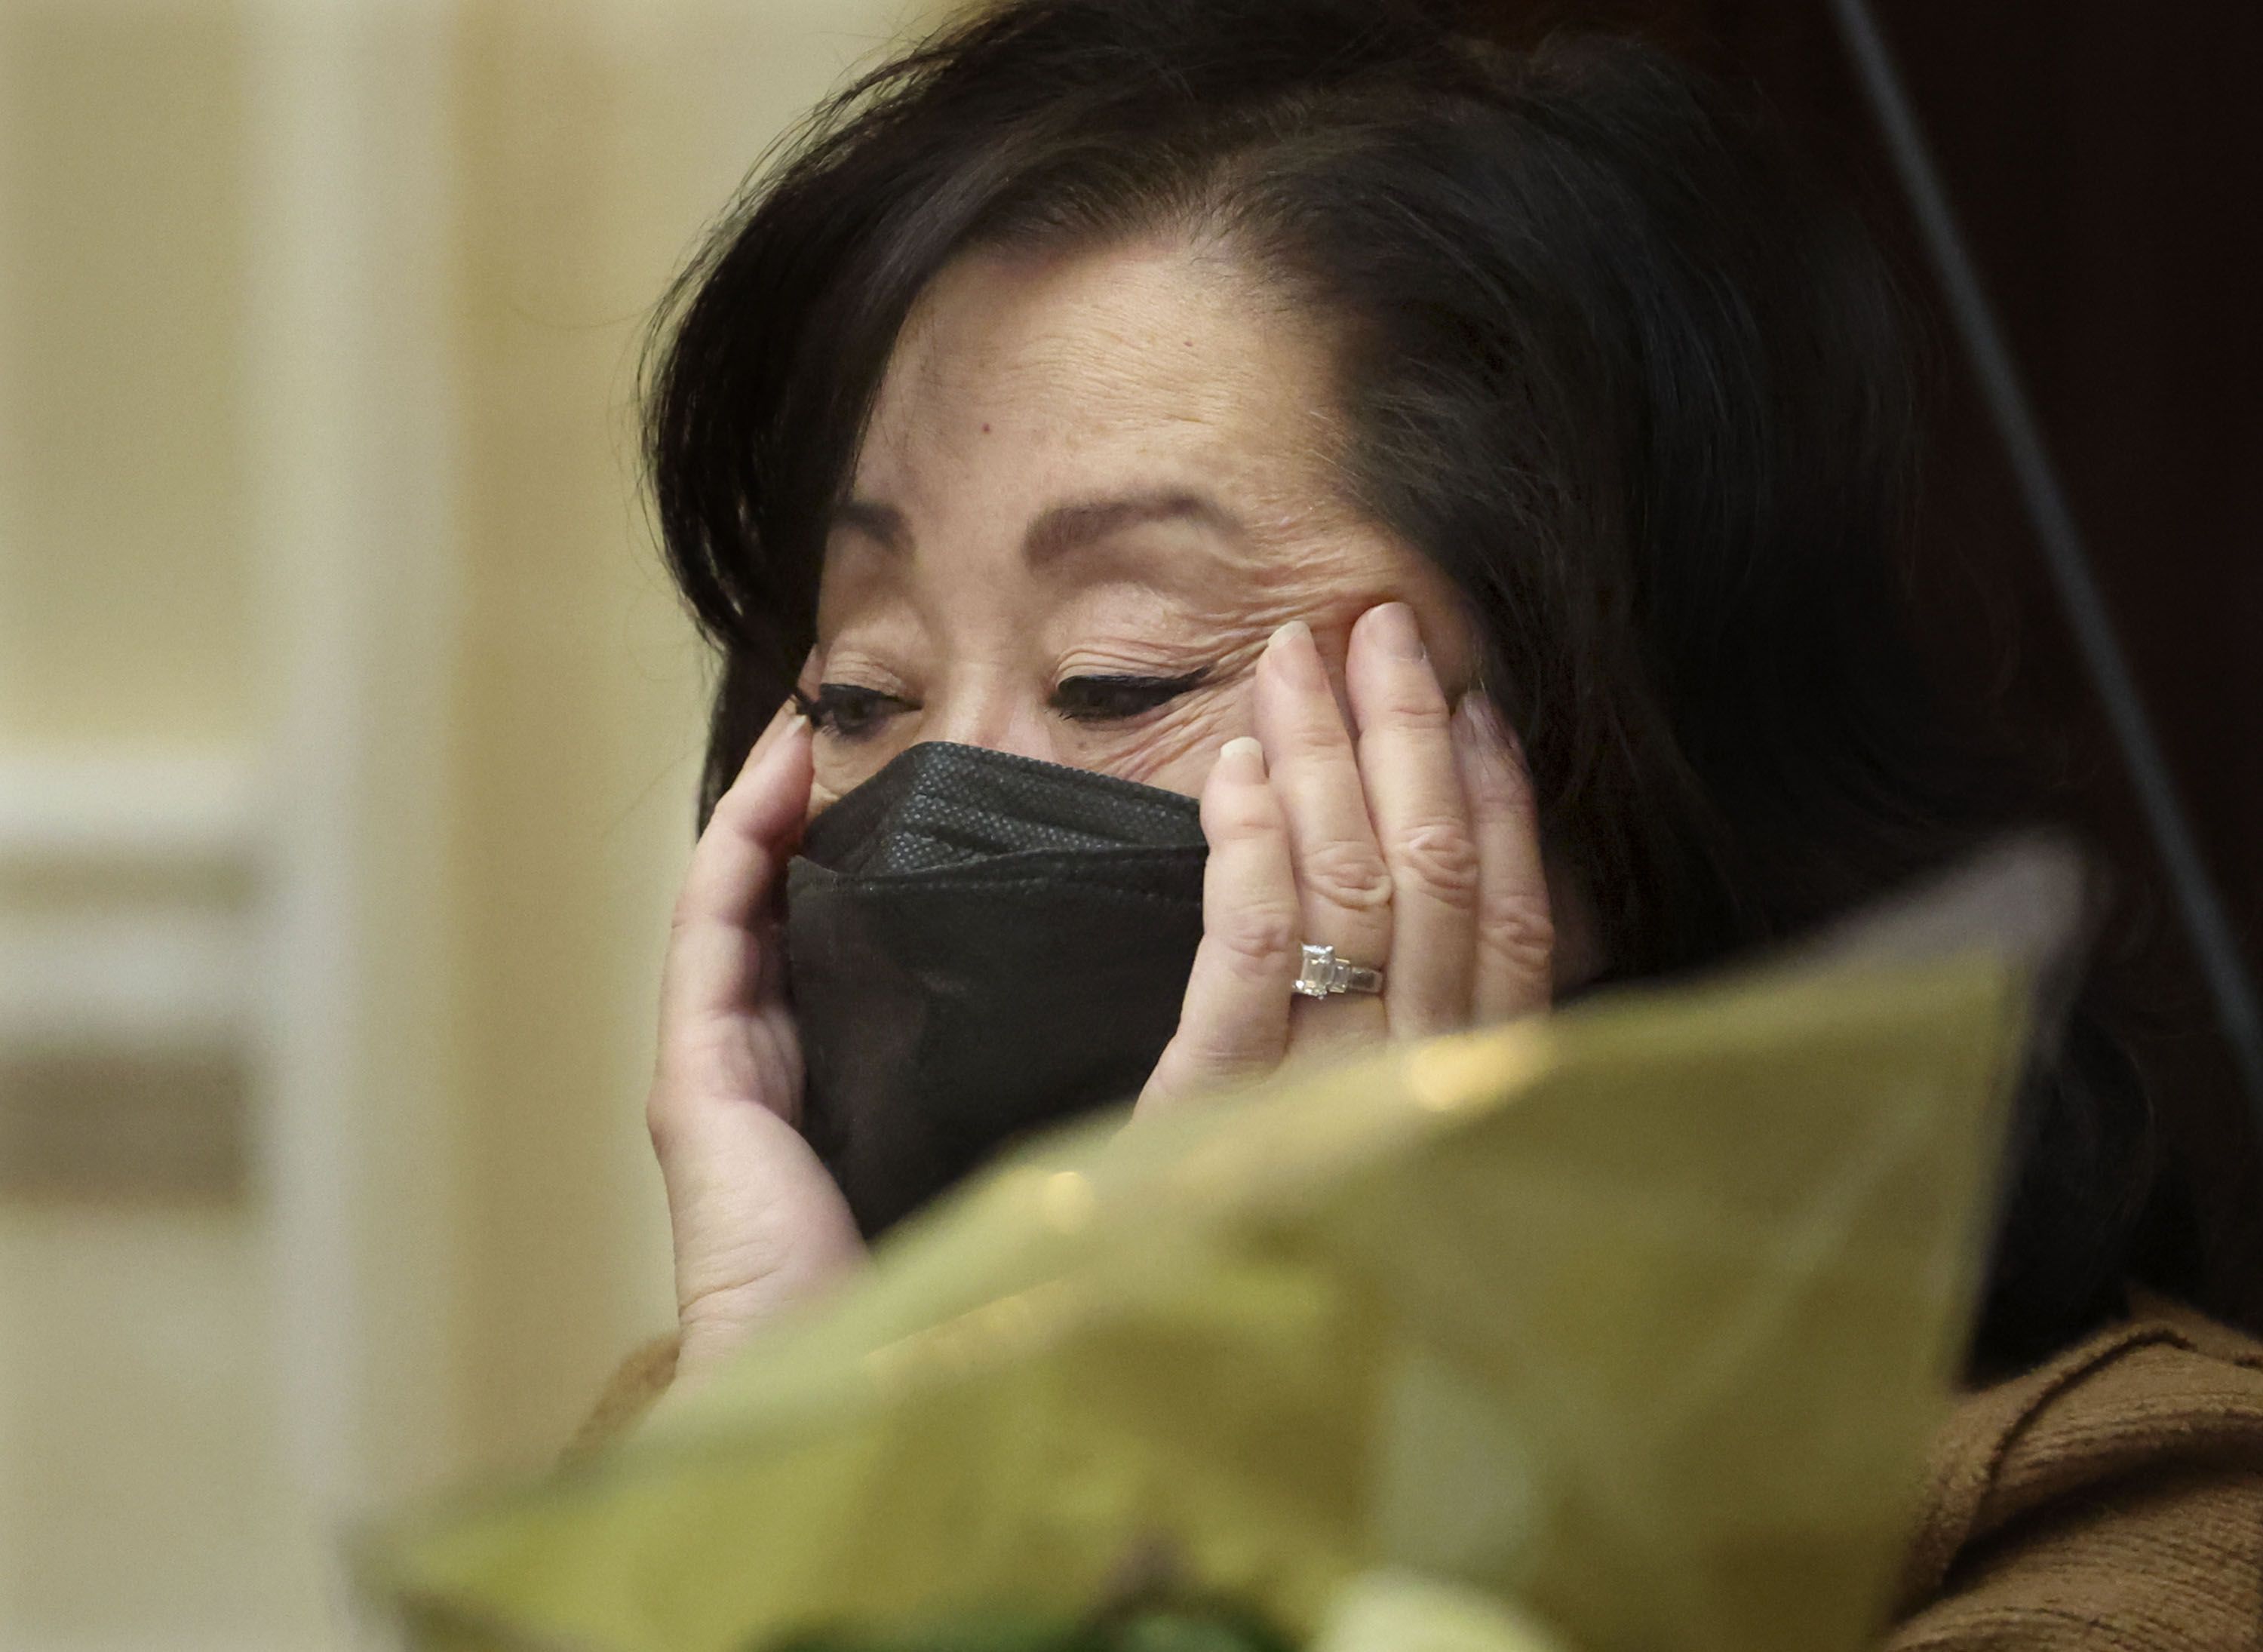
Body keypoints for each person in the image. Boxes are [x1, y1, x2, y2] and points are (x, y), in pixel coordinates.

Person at [585, 1, 2263, 1644]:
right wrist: (773, 1500)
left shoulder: (2127, 1526)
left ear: (1599, 763)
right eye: (862, 694)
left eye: (1119, 674)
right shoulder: (728, 1421)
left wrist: (1277, 1489)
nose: (939, 815)